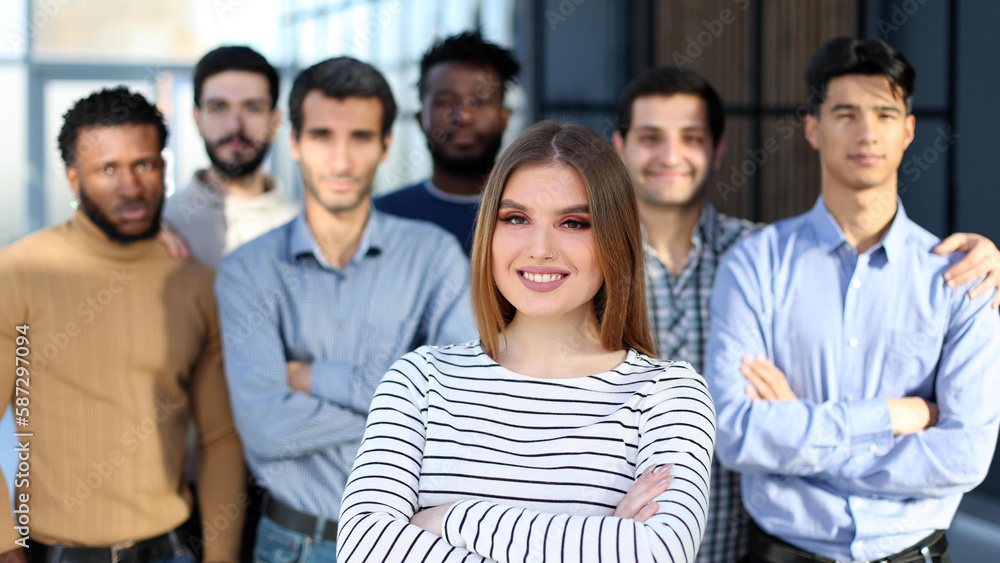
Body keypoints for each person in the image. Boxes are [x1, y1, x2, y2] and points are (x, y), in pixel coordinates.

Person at [611, 65, 1000, 563]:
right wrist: (891, 417)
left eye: (691, 137)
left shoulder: (755, 254)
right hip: (626, 540)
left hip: (733, 546)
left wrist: (800, 431)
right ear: (620, 146)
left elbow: (963, 455)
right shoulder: (590, 266)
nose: (671, 155)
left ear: (718, 148)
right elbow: (736, 431)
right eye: (650, 137)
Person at [339, 121, 716, 563]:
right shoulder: (419, 380)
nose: (540, 249)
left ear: (615, 239)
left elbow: (660, 552)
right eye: (516, 218)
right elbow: (362, 549)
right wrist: (603, 540)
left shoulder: (668, 395)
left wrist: (452, 520)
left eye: (573, 223)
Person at [214, 57, 476, 562]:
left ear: (384, 145)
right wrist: (406, 414)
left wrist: (313, 378)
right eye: (321, 136)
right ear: (293, 142)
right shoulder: (247, 271)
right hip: (293, 543)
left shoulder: (434, 255)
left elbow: (456, 410)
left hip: (413, 544)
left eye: (359, 137)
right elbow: (267, 430)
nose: (340, 160)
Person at [0, 87, 245, 562]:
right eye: (107, 169)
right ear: (73, 179)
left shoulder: (195, 283)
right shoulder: (18, 273)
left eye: (144, 165)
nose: (131, 188)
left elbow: (219, 439)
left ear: (164, 168)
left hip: (173, 549)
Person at [375, 31, 519, 254]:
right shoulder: (382, 217)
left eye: (479, 102)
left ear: (504, 117)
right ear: (421, 118)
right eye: (445, 102)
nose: (463, 116)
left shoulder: (536, 214)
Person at [163, 45, 298, 267]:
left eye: (252, 108)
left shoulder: (304, 228)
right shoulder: (163, 225)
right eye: (218, 108)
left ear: (274, 123)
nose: (235, 126)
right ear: (198, 120)